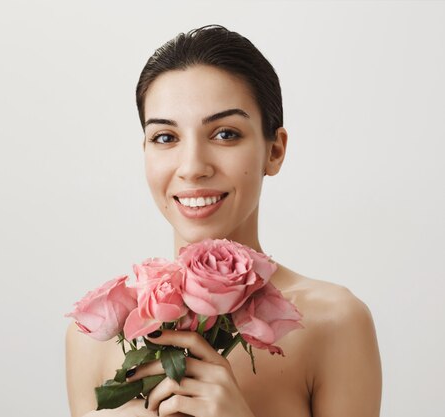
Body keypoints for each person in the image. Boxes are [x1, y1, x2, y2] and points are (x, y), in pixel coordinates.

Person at [65, 24, 382, 417]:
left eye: (226, 134)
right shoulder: (96, 336)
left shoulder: (334, 323)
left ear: (275, 151)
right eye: (165, 137)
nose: (193, 167)